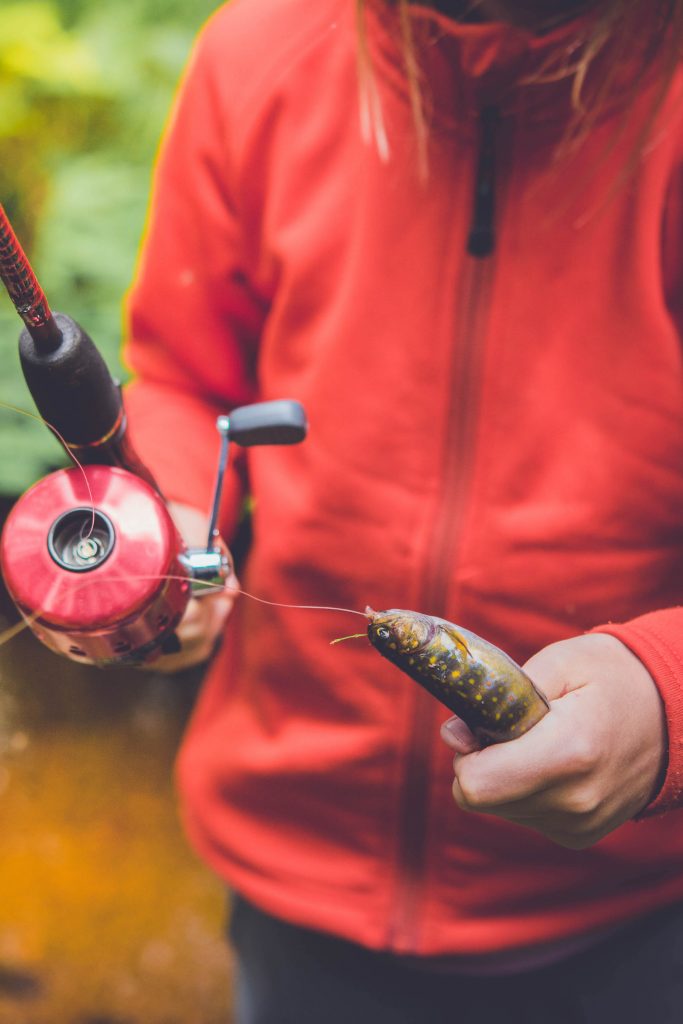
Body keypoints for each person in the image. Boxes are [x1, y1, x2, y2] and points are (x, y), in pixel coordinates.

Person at [122, 0, 683, 1020]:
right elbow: (181, 381)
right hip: (293, 879)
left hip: (640, 911)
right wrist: (163, 514)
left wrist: (667, 700)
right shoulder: (257, 50)